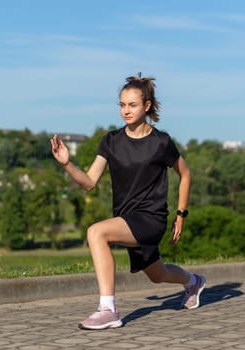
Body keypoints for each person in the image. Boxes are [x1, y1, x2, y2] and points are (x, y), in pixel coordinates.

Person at [50, 74, 206, 330]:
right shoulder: (111, 141)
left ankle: (108, 310)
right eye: (122, 105)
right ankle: (194, 282)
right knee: (158, 275)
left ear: (146, 106)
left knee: (96, 232)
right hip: (125, 218)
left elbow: (185, 174)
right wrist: (67, 163)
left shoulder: (161, 142)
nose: (125, 110)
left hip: (151, 218)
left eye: (132, 105)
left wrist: (181, 214)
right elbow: (89, 181)